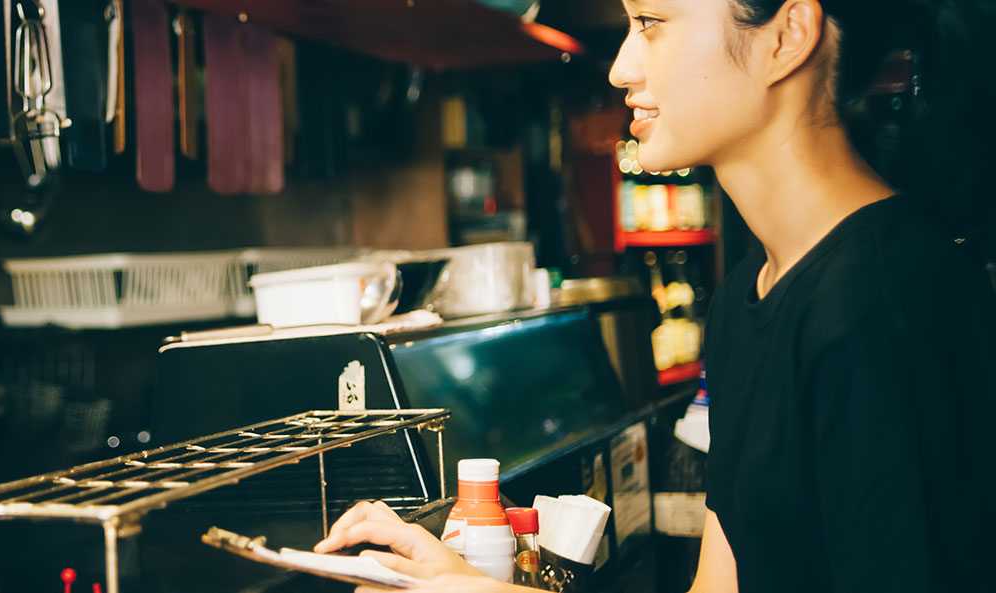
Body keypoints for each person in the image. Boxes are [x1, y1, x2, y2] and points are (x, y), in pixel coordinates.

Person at [314, 0, 996, 591]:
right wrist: (464, 582)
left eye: (652, 22)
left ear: (787, 36)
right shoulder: (743, 302)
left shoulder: (883, 303)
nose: (620, 67)